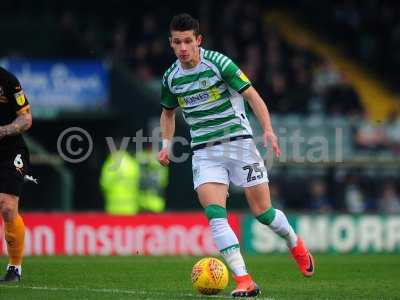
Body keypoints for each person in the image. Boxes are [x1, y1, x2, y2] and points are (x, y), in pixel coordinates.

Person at [157, 14, 315, 297]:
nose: (183, 47)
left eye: (188, 41)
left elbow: (253, 96)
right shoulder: (171, 78)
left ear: (198, 41)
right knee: (216, 215)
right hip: (204, 152)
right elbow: (167, 113)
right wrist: (166, 145)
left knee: (263, 213)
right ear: (171, 43)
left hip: (239, 144)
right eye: (177, 42)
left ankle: (294, 242)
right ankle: (244, 280)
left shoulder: (219, 64)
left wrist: (267, 130)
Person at [0, 67, 32, 282]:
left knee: (7, 206)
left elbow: (26, 119)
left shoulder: (7, 80)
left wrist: (3, 130)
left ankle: (15, 268)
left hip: (10, 151)